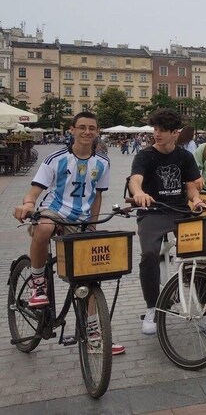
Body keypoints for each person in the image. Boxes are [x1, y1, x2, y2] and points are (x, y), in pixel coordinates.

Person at [13, 112, 125, 355]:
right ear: (71, 130)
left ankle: (94, 334)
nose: (87, 132)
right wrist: (28, 205)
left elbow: (97, 195)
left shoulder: (103, 162)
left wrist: (93, 224)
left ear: (97, 131)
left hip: (81, 219)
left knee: (90, 278)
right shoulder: (56, 158)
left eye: (92, 128)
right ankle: (38, 282)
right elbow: (35, 190)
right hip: (54, 210)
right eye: (82, 127)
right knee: (44, 227)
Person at [128, 109, 206, 336]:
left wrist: (196, 201)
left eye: (163, 130)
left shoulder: (184, 157)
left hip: (179, 211)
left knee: (201, 255)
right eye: (155, 129)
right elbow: (136, 180)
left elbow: (191, 188)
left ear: (175, 133)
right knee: (149, 255)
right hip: (152, 211)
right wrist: (138, 194)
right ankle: (152, 308)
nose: (157, 134)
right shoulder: (145, 155)